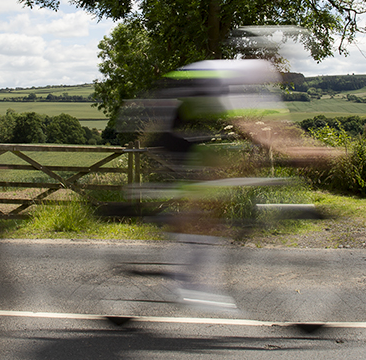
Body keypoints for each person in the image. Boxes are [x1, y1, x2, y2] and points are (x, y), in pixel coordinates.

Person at [141, 58, 341, 312]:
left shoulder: (250, 77)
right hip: (168, 126)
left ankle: (181, 237)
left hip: (180, 120)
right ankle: (187, 280)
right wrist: (309, 154)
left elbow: (275, 130)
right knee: (211, 195)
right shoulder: (241, 79)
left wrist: (299, 150)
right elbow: (251, 127)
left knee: (220, 182)